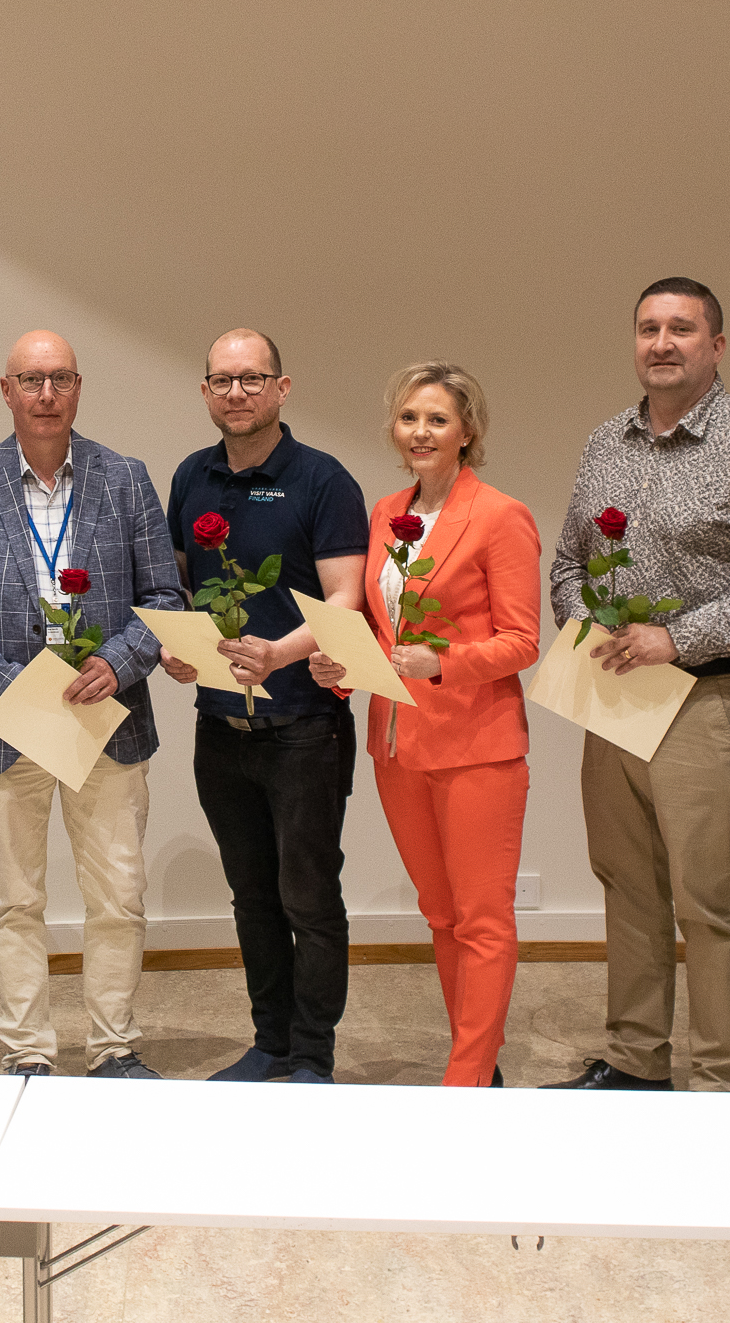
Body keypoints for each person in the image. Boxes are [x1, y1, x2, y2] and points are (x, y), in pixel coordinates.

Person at [544, 277, 730, 1092]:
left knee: (707, 898)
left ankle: (720, 1081)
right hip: (614, 694)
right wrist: (585, 620)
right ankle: (636, 1059)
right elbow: (568, 563)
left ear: (716, 345)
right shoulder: (606, 441)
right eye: (648, 328)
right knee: (627, 882)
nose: (662, 343)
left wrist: (676, 637)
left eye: (682, 328)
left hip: (704, 695)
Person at [0, 331, 183, 1078]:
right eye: (31, 380)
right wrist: (10, 684)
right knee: (14, 901)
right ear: (6, 390)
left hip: (105, 720)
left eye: (60, 378)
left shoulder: (125, 479)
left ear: (78, 387)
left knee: (118, 896)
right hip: (6, 724)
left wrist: (118, 661)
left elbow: (165, 596)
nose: (45, 394)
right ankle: (27, 1051)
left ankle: (113, 1046)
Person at [310, 361, 538, 1087]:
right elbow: (385, 631)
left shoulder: (500, 515)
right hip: (397, 745)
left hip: (477, 746)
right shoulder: (385, 511)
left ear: (467, 431)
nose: (420, 431)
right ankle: (478, 1067)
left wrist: (443, 662)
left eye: (437, 419)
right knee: (440, 915)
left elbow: (522, 642)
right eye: (409, 417)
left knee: (482, 919)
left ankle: (465, 1080)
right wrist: (346, 667)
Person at [160, 329, 368, 1084]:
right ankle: (271, 1042)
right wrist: (175, 645)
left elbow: (346, 599)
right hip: (220, 729)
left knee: (308, 898)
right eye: (222, 380)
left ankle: (312, 1054)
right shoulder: (192, 476)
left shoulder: (323, 479)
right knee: (251, 897)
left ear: (282, 388)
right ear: (205, 392)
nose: (237, 392)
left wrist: (279, 653)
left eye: (252, 378)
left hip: (303, 728)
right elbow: (178, 586)